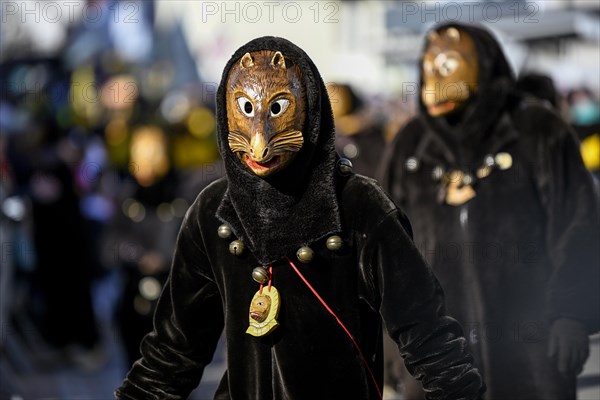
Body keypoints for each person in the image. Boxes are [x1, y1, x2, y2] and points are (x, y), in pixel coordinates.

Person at [115, 36, 484, 399]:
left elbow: (428, 336)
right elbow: (172, 354)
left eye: (277, 110)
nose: (259, 141)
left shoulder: (359, 205)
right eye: (244, 108)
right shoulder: (212, 212)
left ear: (309, 106)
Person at [381, 23, 600, 400]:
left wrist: (571, 314)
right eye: (428, 67)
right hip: (437, 360)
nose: (434, 77)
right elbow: (385, 253)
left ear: (484, 65)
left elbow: (578, 225)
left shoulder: (539, 132)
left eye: (449, 64)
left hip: (532, 350)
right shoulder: (410, 146)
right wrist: (391, 347)